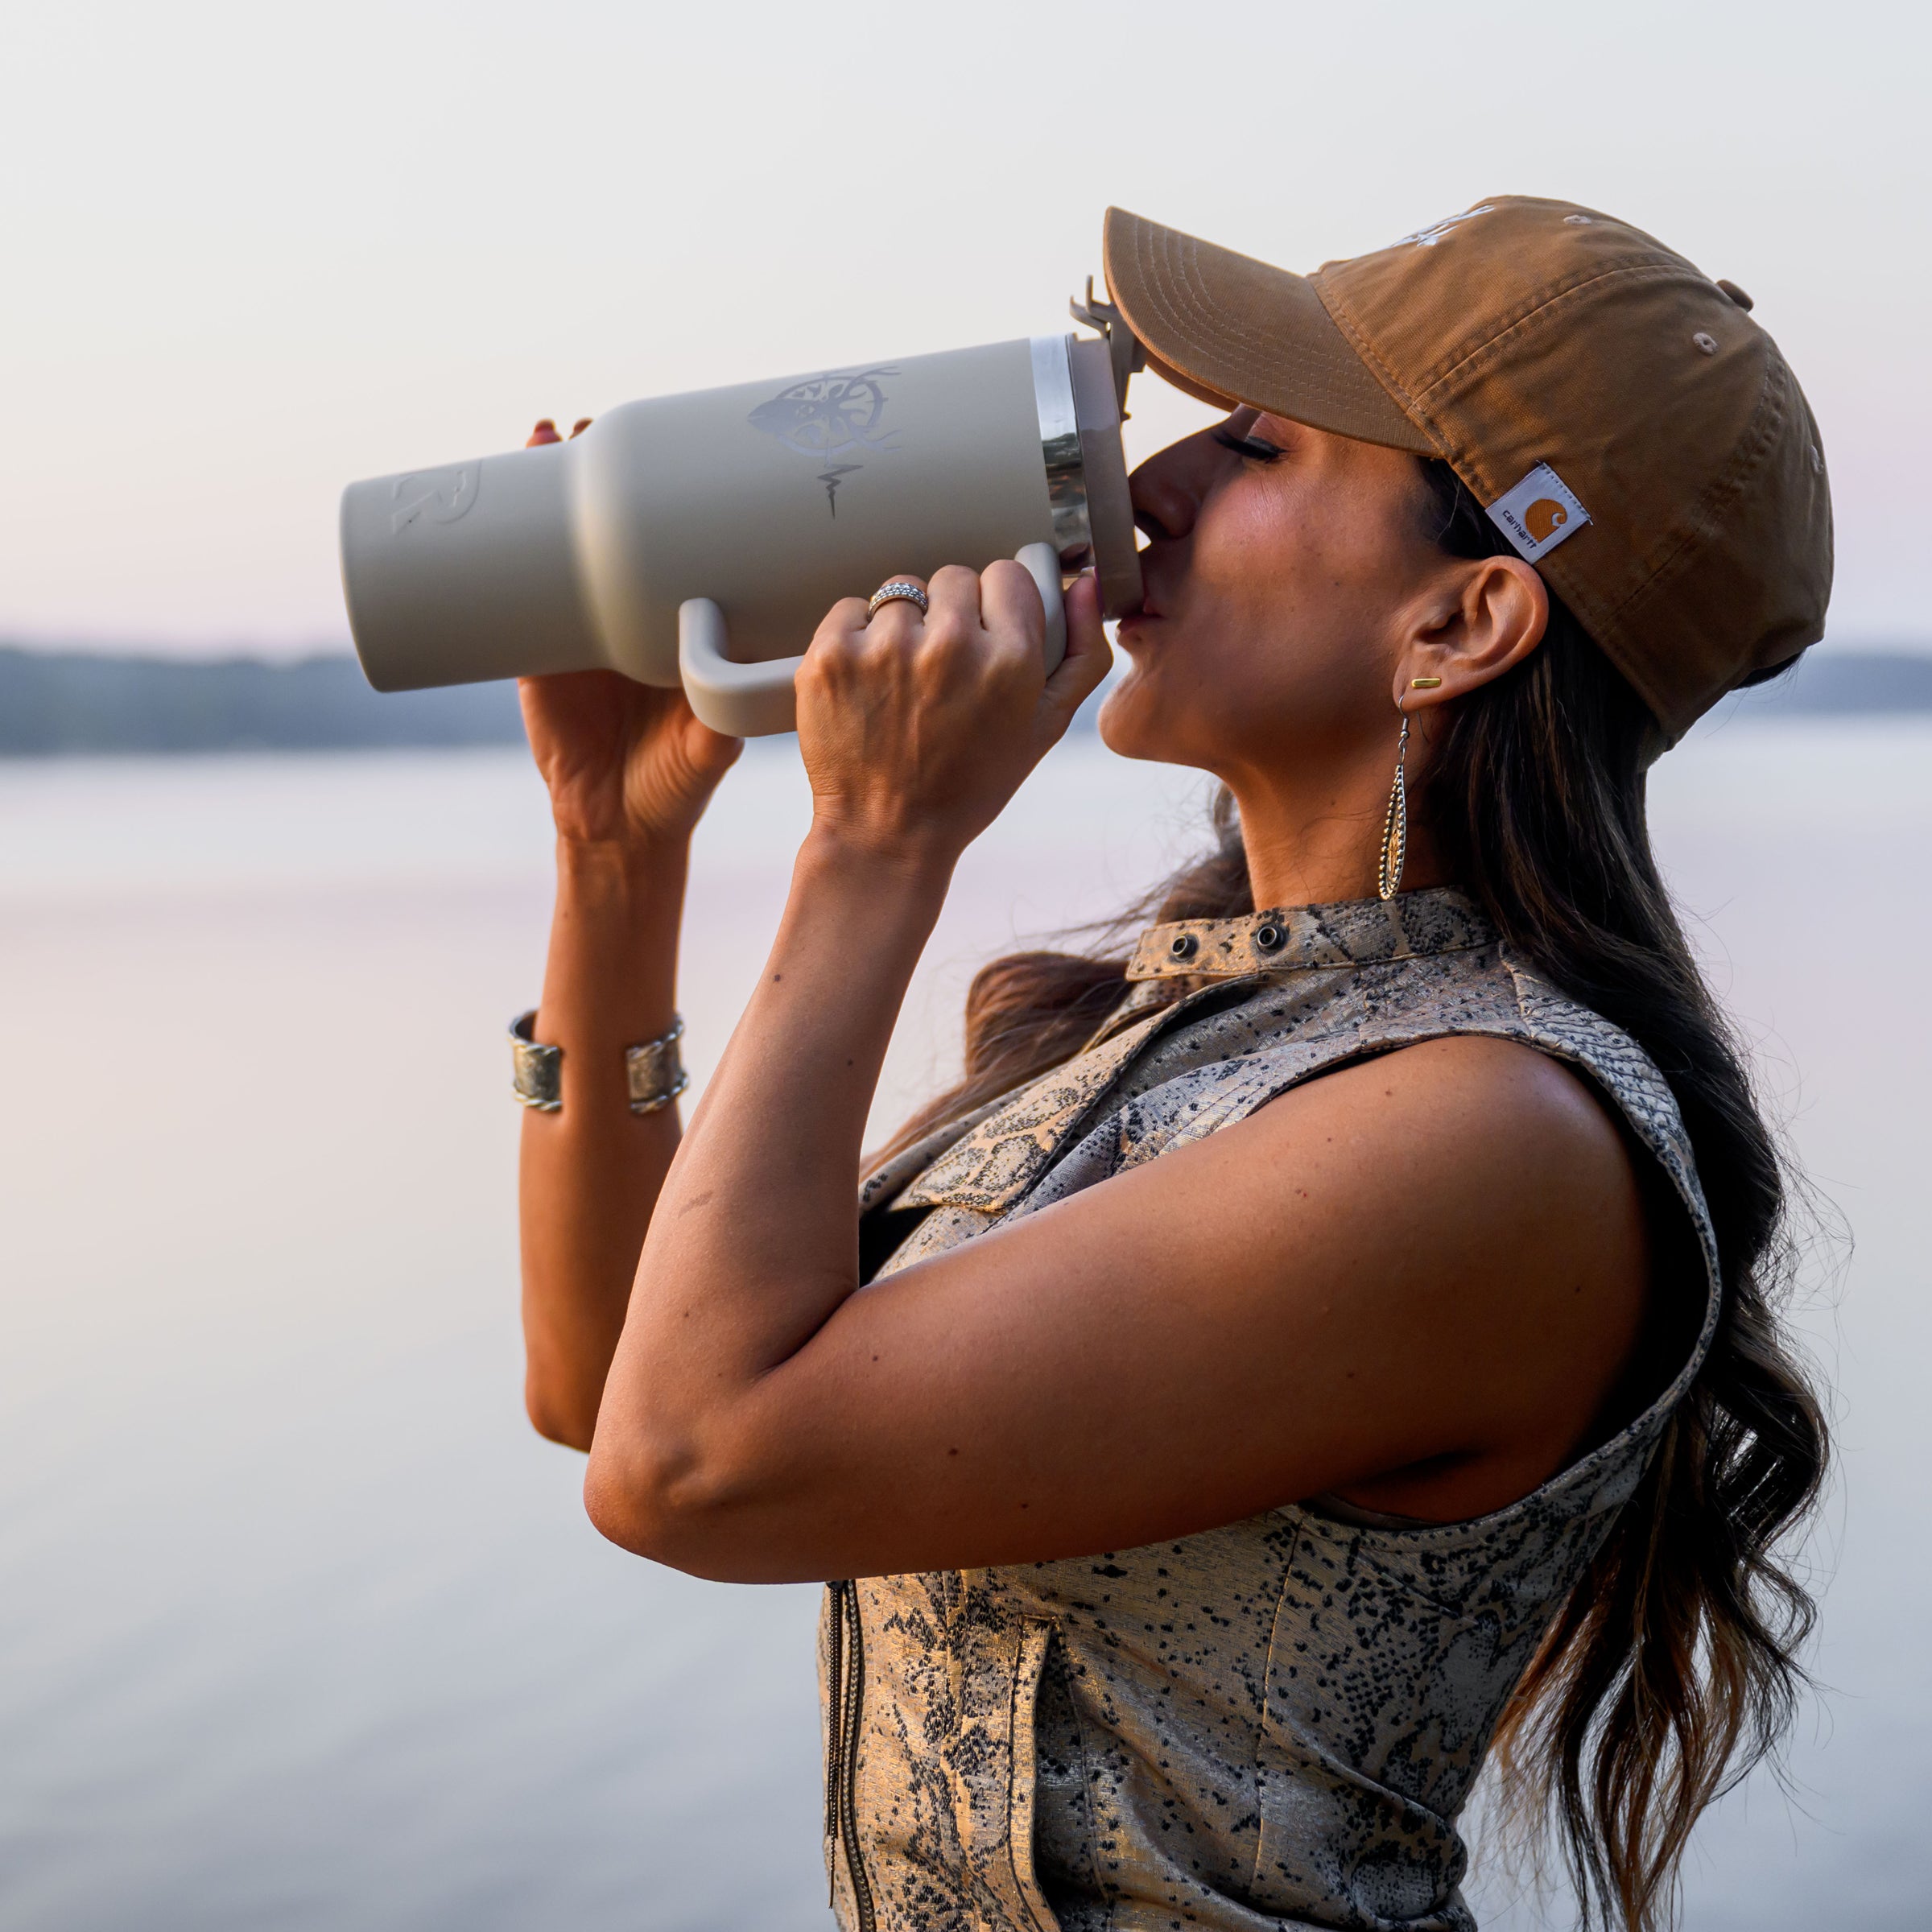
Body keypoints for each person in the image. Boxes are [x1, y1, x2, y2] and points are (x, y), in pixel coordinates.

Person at [510, 200, 1831, 1932]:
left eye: (1261, 443)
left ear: (1464, 622)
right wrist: (616, 861)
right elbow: (615, 1382)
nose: (1144, 490)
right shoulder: (1185, 1028)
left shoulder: (1495, 1133)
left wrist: (879, 846)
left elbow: (688, 1468)